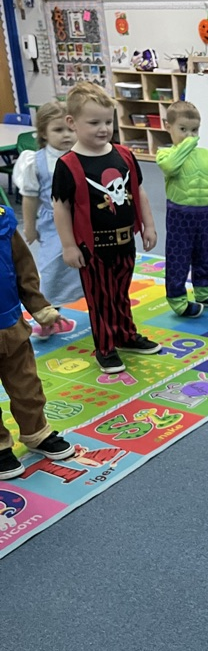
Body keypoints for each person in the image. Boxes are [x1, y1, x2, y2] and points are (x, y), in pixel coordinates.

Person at [52, 81, 160, 375]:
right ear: (72, 123)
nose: (103, 129)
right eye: (94, 123)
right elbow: (61, 207)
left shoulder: (124, 155)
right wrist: (69, 246)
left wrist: (148, 226)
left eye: (108, 122)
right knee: (100, 299)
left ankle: (125, 335)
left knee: (120, 293)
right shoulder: (68, 164)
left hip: (125, 242)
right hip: (93, 247)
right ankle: (105, 347)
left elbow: (138, 191)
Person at [0, 200, 76, 480]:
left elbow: (23, 268)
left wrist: (39, 306)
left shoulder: (3, 221)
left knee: (27, 385)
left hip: (11, 325)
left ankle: (36, 432)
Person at [12, 100, 80, 339]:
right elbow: (30, 197)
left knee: (89, 269)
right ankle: (49, 317)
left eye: (70, 129)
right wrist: (29, 227)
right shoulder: (36, 162)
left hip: (85, 223)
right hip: (53, 226)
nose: (66, 135)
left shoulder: (83, 155)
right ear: (43, 133)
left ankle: (101, 310)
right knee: (51, 271)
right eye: (58, 130)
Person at [156, 100, 208, 317]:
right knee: (178, 256)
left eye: (194, 130)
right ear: (168, 127)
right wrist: (187, 144)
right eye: (183, 129)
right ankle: (177, 299)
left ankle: (203, 291)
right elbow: (170, 167)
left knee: (203, 255)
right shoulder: (165, 155)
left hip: (204, 215)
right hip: (180, 215)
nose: (189, 135)